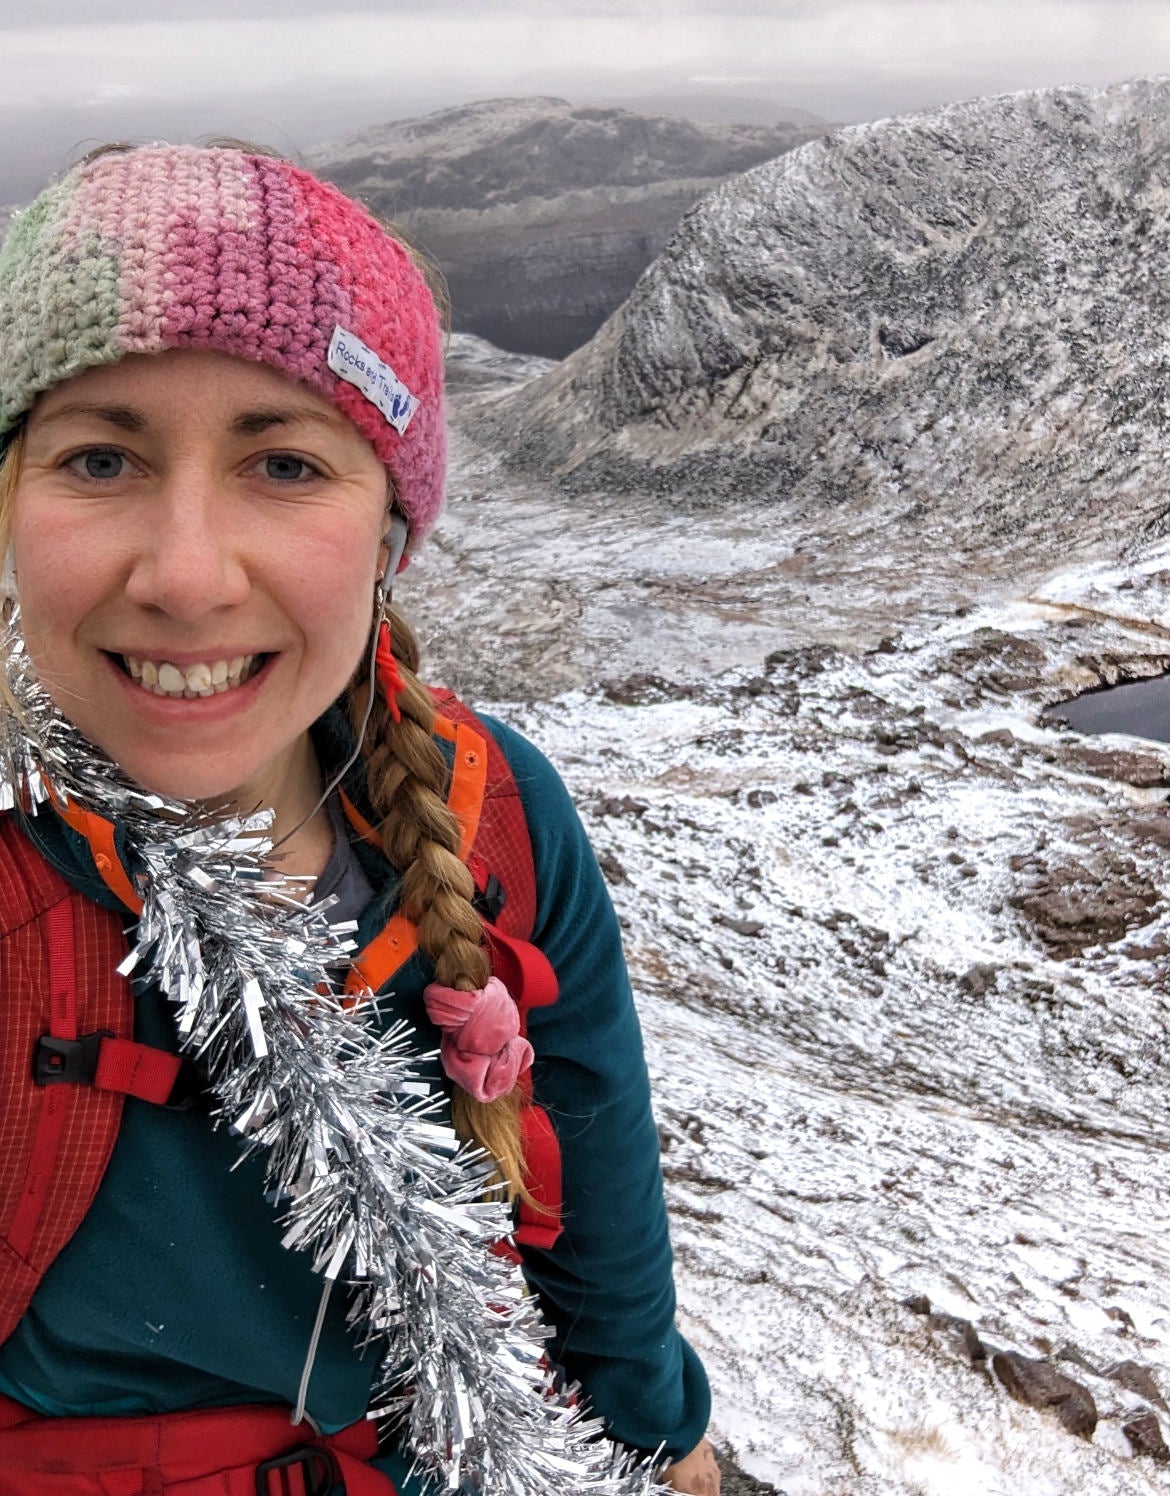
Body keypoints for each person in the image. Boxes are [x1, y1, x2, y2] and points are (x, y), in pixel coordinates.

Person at [0, 142, 720, 1495]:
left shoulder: (493, 809)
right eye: (100, 457)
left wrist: (657, 1440)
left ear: (391, 534)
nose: (188, 575)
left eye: (283, 465)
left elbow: (598, 1210)